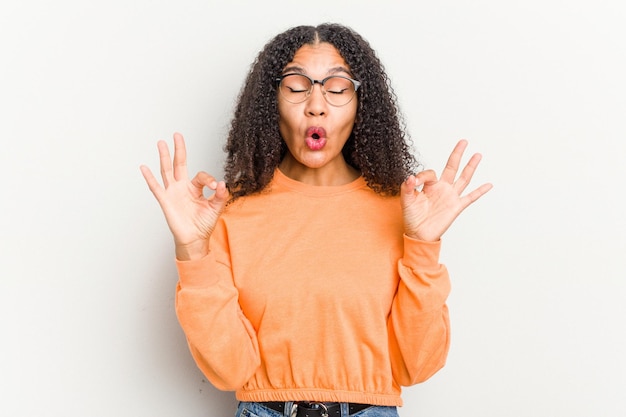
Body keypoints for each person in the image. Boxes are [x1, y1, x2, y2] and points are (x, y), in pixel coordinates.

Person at [140, 23, 492, 417]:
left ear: (362, 103)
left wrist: (423, 246)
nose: (316, 104)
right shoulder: (229, 212)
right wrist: (193, 250)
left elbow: (415, 366)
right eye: (296, 86)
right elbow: (230, 370)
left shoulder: (404, 211)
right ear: (270, 100)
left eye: (337, 88)